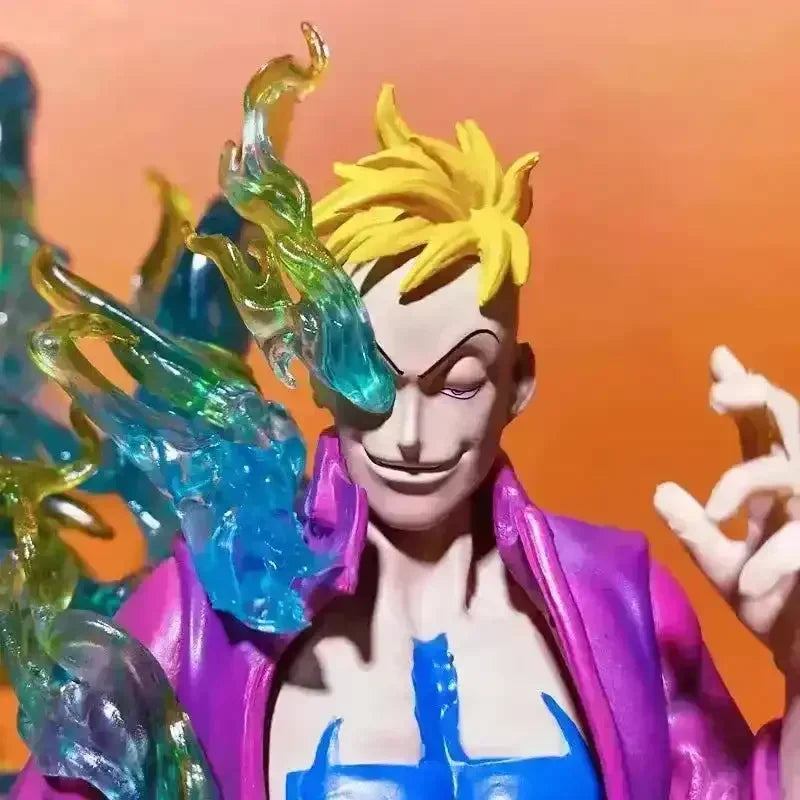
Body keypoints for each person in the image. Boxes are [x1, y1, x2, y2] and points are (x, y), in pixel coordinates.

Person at [11, 84, 798, 800]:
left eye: (459, 382)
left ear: (517, 384)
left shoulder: (622, 601)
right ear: (323, 375)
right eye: (374, 384)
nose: (412, 436)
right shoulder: (204, 616)